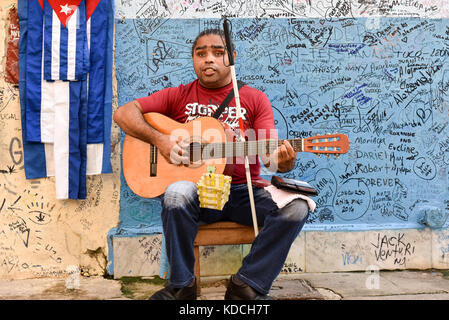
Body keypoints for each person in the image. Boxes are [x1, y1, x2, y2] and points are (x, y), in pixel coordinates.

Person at [113, 28, 310, 300]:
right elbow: (124, 114)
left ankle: (247, 284)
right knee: (176, 192)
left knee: (297, 207)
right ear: (193, 59)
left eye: (218, 53)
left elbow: (269, 157)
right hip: (197, 196)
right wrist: (162, 141)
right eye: (201, 53)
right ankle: (182, 285)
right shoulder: (178, 96)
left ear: (232, 58)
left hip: (245, 194)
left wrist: (283, 163)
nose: (209, 59)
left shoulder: (253, 99)